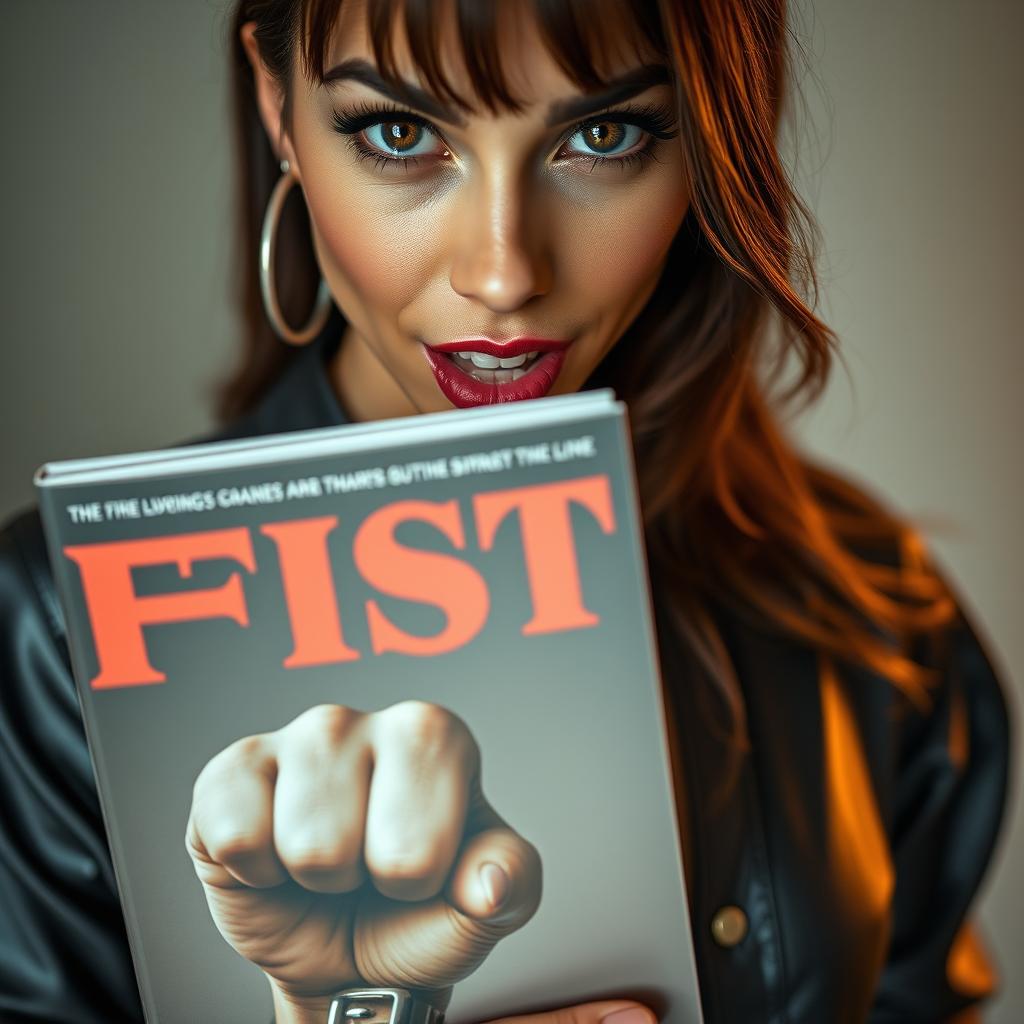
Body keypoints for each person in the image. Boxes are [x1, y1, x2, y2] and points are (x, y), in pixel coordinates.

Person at [0, 0, 1011, 1022]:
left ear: (704, 137)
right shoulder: (52, 633)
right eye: (400, 133)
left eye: (601, 135)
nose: (503, 273)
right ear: (278, 112)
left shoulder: (871, 606)